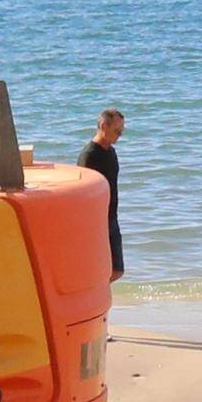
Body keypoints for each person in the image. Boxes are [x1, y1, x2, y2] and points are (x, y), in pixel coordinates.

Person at [80, 107, 126, 277]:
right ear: (103, 126)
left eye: (121, 132)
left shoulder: (111, 152)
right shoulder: (89, 155)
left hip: (111, 217)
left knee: (117, 270)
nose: (119, 136)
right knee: (102, 271)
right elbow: (83, 193)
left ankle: (97, 293)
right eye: (117, 131)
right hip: (97, 220)